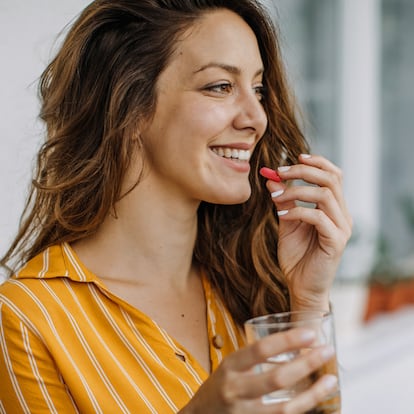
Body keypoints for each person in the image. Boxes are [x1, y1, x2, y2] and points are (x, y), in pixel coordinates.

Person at [0, 0, 352, 412]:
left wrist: (307, 302)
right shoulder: (28, 318)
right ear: (129, 106)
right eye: (220, 86)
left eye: (258, 90)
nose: (257, 117)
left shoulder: (246, 281)